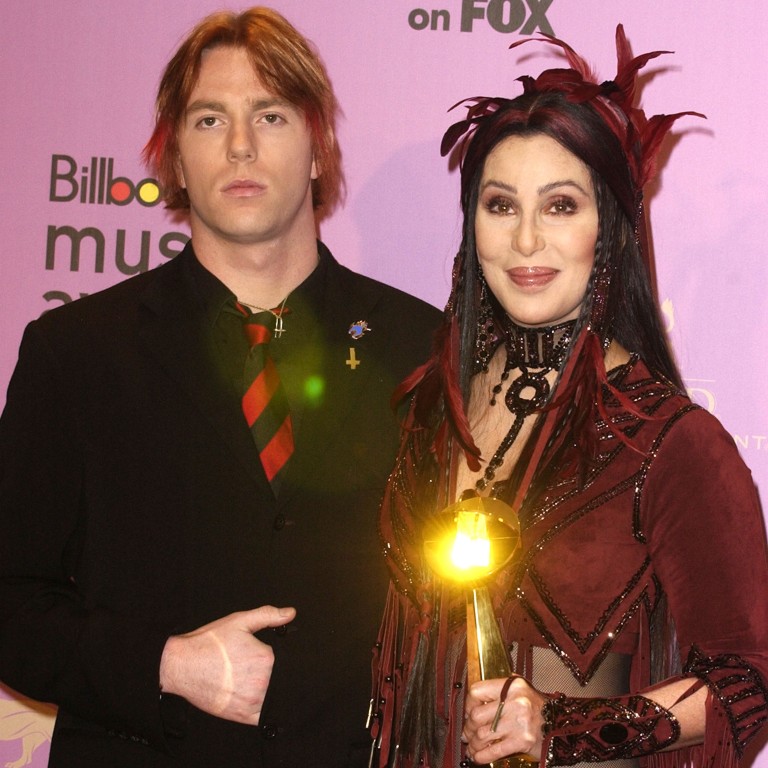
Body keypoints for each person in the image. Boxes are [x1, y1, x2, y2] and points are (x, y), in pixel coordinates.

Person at [0, 7, 441, 767]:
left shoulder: (420, 348)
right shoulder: (75, 355)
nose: (240, 145)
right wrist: (164, 664)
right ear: (173, 158)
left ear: (316, 148)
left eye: (269, 114)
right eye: (209, 120)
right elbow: (10, 605)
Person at [370, 26, 768, 768]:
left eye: (559, 206)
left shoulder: (671, 440)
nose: (525, 242)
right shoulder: (432, 413)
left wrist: (566, 726)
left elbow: (749, 682)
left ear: (608, 230)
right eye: (500, 205)